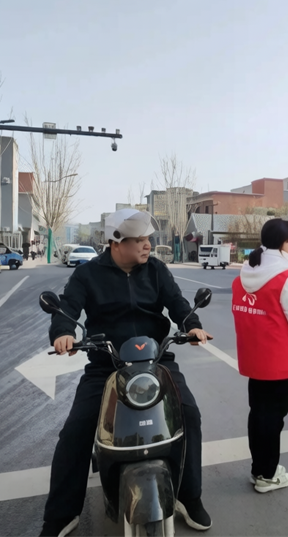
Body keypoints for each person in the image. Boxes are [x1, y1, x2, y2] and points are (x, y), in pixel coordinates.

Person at [40, 209, 213, 537]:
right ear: (116, 242)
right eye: (140, 240)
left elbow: (177, 303)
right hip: (106, 364)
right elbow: (67, 307)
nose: (148, 246)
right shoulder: (88, 274)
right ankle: (60, 515)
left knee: (188, 414)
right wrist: (63, 332)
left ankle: (189, 497)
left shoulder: (157, 270)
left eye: (149, 239)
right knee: (76, 429)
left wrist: (192, 326)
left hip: (156, 360)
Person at [232, 219, 288, 493]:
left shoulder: (247, 272)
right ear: (286, 242)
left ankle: (259, 468)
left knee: (258, 413)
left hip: (254, 357)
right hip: (278, 360)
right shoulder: (285, 276)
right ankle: (267, 475)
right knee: (273, 417)